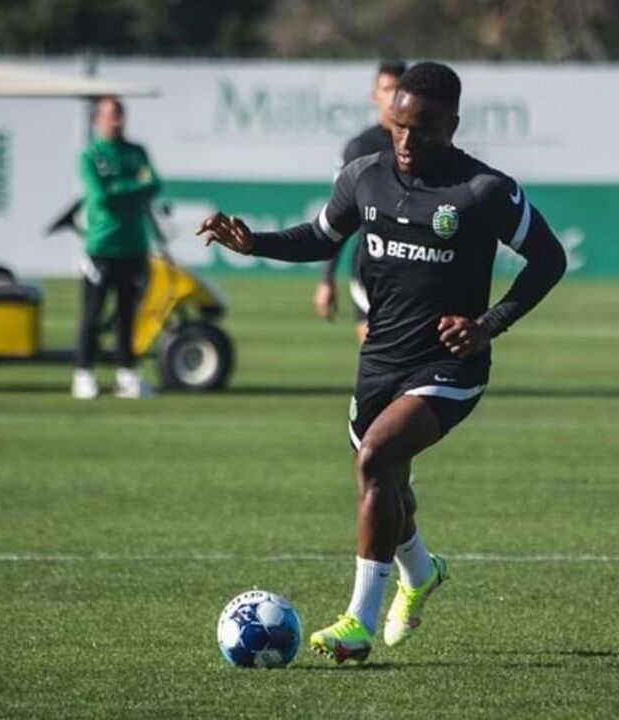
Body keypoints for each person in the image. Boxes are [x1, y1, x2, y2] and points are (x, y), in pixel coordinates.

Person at [197, 62, 566, 664]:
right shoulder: (364, 177)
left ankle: (357, 623)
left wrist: (487, 325)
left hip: (448, 366)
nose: (405, 140)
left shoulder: (483, 190)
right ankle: (420, 571)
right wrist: (254, 242)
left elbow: (549, 259)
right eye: (398, 126)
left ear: (451, 125)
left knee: (377, 458)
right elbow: (320, 237)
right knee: (386, 482)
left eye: (421, 129)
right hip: (379, 361)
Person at [71, 96, 160, 400]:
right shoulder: (91, 155)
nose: (117, 121)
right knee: (92, 315)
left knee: (127, 316)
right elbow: (100, 197)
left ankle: (126, 374)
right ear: (98, 119)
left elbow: (153, 184)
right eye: (111, 115)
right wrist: (132, 188)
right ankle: (84, 373)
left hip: (133, 246)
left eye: (120, 114)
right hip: (101, 246)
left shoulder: (136, 152)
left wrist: (119, 188)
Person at [314, 60, 406, 345]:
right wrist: (327, 278)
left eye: (398, 89)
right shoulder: (361, 148)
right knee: (376, 356)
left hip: (417, 266)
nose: (392, 97)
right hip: (372, 266)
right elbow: (339, 215)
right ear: (374, 95)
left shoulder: (427, 144)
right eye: (386, 89)